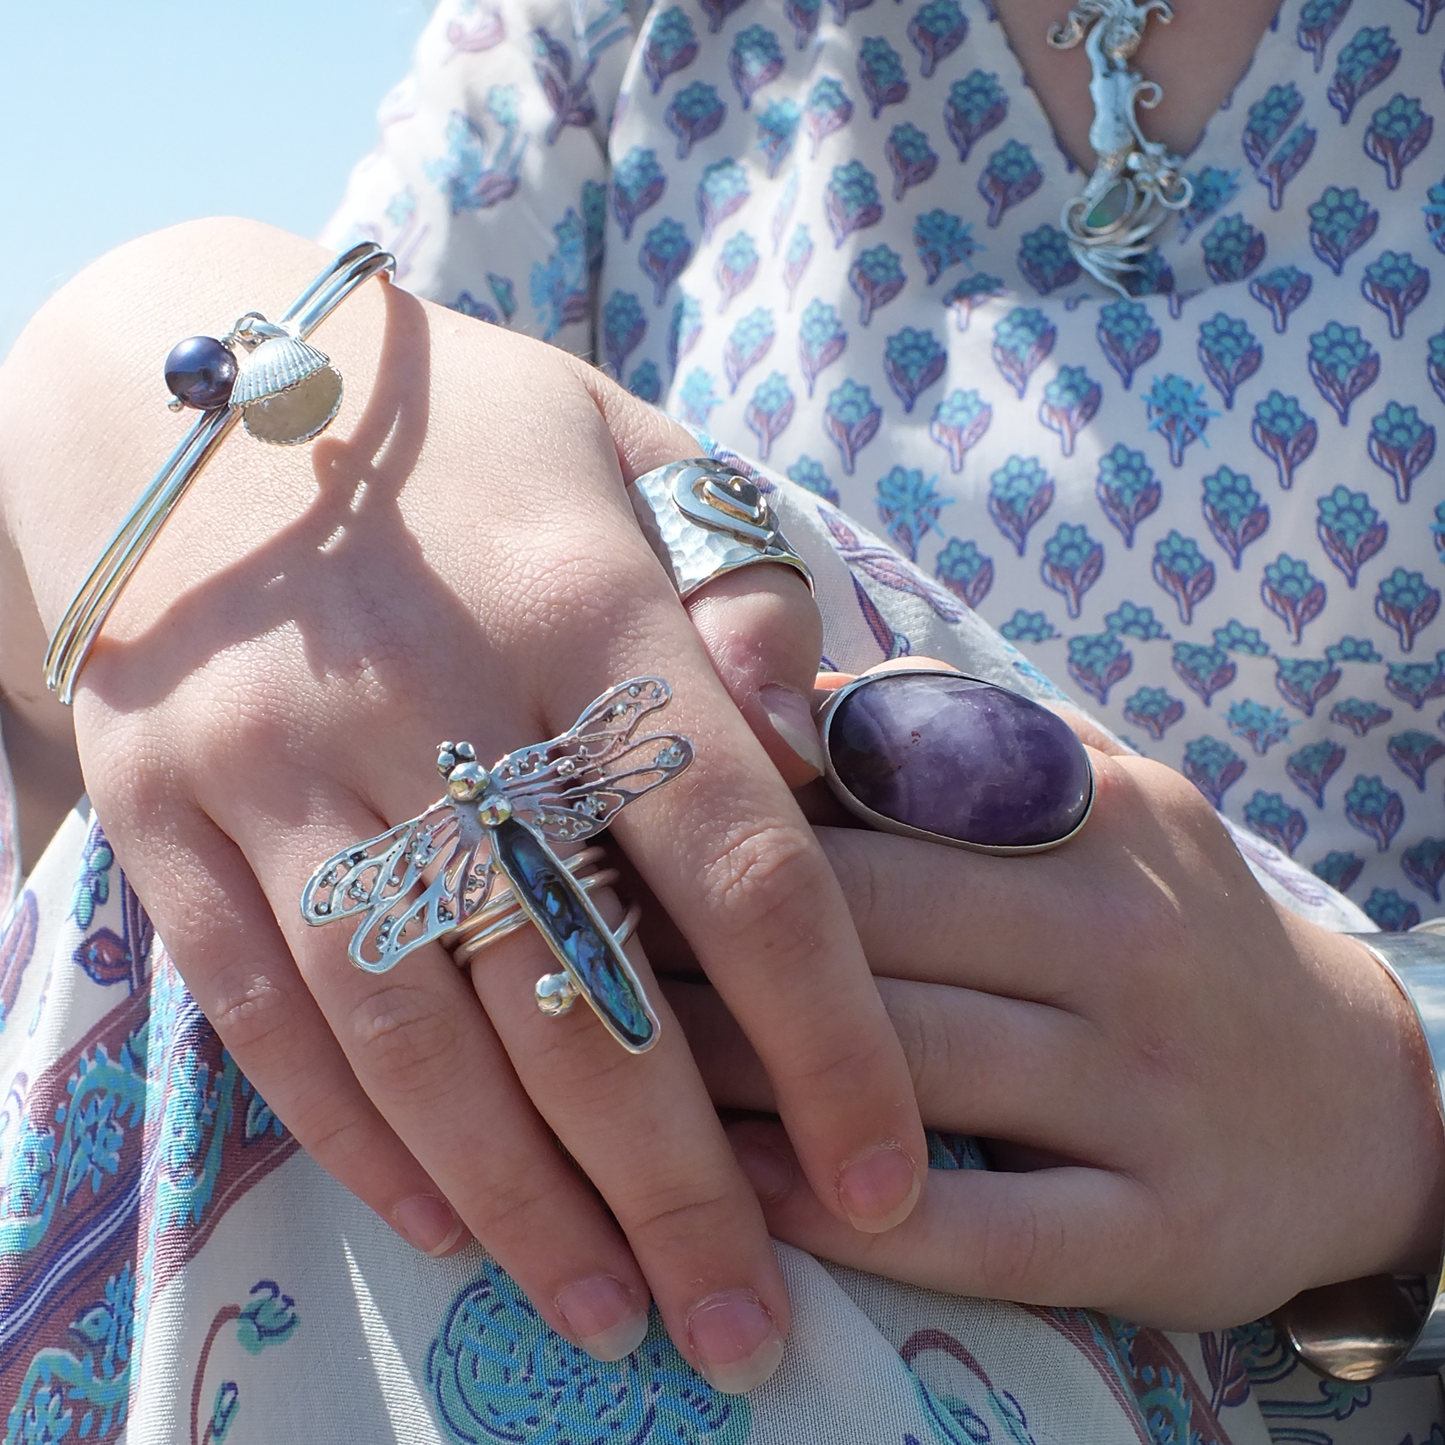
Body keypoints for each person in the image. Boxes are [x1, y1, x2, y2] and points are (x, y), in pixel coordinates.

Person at [0, 0, 1443, 1438]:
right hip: (740, 1161)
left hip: (1334, 1303)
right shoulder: (612, 39)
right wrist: (127, 361)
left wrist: (1390, 1096)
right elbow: (282, 487)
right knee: (267, 702)